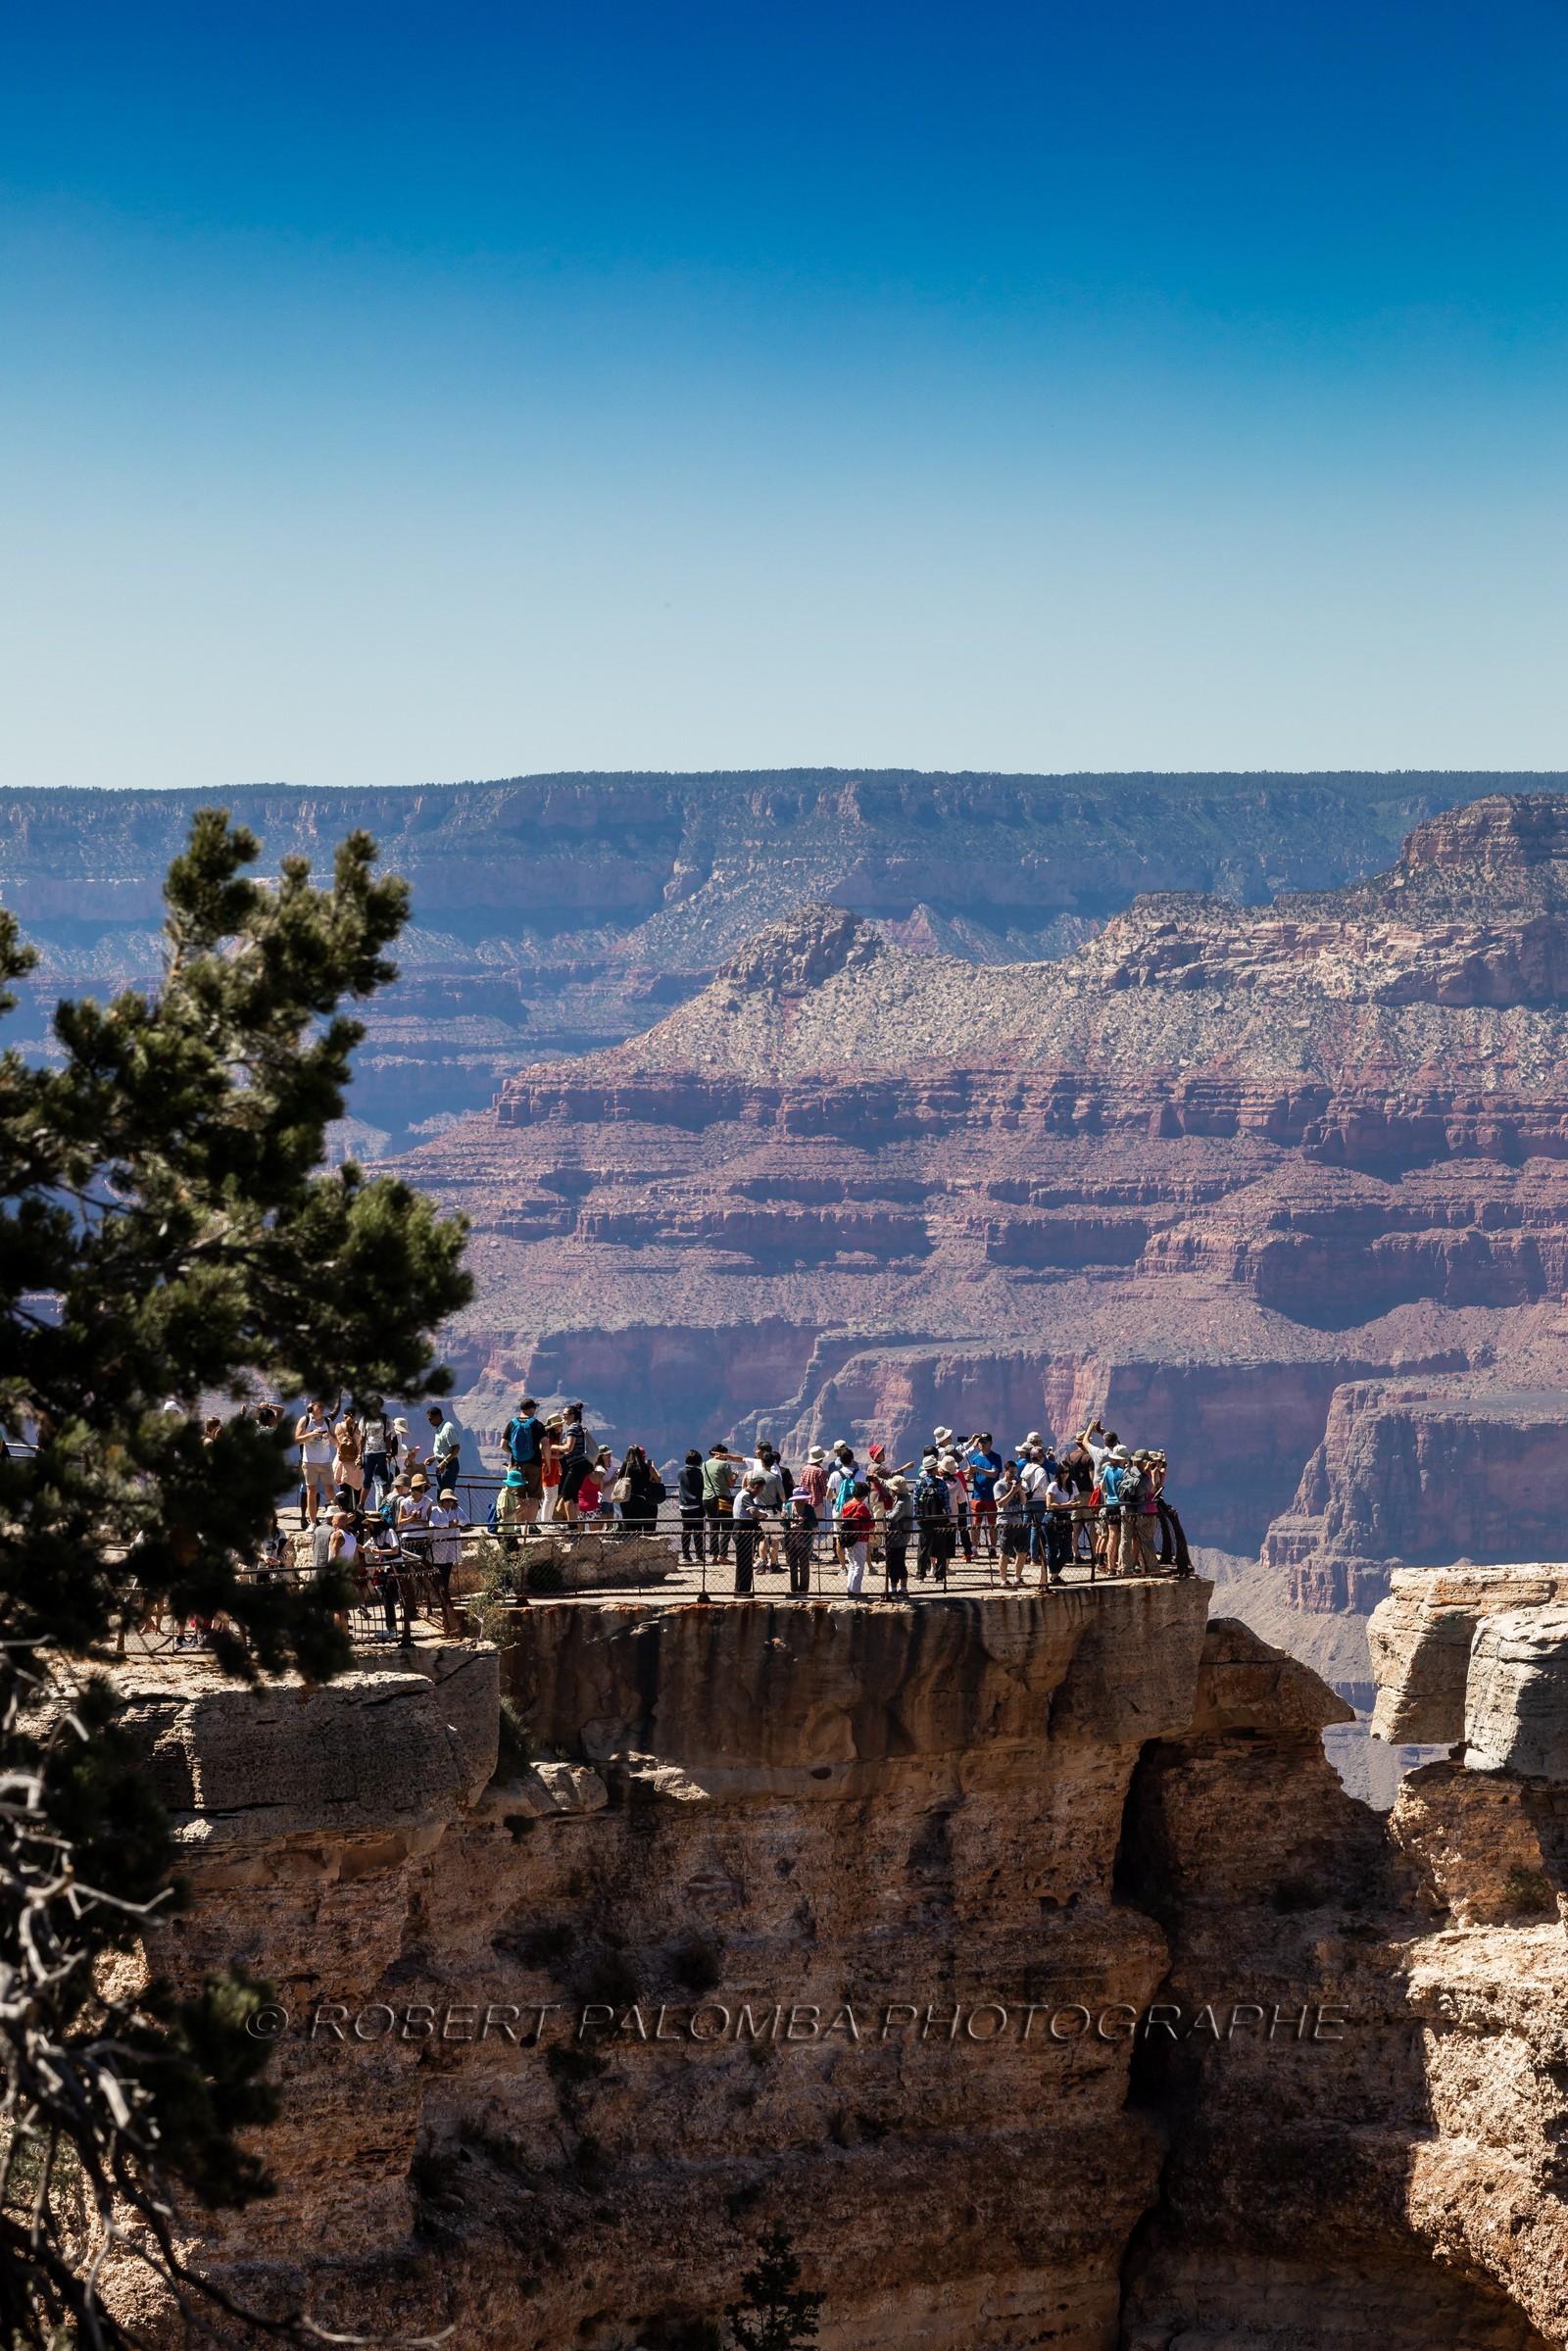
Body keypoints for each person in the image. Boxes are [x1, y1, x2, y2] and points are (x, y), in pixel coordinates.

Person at [503, 1395, 547, 1524]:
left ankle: (518, 1525)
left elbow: (503, 1445)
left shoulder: (512, 1423)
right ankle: (531, 1525)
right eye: (534, 1408)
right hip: (535, 1464)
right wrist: (548, 1464)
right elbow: (545, 1445)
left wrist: (514, 1453)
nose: (535, 1411)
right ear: (530, 1409)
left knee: (518, 1494)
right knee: (533, 1496)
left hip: (517, 1465)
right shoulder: (537, 1424)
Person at [428, 1486, 464, 1633]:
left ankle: (444, 1598)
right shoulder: (436, 1511)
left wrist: (457, 1522)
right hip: (438, 1547)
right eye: (447, 1501)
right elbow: (432, 1524)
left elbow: (465, 1520)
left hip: (450, 1547)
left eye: (451, 1500)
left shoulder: (456, 1511)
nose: (449, 1503)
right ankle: (440, 1598)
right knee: (438, 1574)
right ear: (441, 1501)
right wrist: (447, 1524)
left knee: (446, 1574)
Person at [914, 1451, 953, 1585]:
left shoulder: (920, 1484)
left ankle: (920, 1574)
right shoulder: (941, 1484)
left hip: (925, 1520)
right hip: (939, 1519)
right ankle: (940, 1575)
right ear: (935, 1469)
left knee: (923, 1547)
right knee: (941, 1547)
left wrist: (918, 1517)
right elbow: (946, 1503)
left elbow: (916, 1502)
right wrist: (947, 1518)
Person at [295, 1399, 335, 1527]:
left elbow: (336, 1443)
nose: (323, 1408)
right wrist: (311, 1435)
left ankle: (335, 1520)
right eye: (320, 1406)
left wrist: (329, 1437)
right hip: (310, 1461)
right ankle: (312, 1522)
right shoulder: (305, 1420)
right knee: (311, 1491)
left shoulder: (328, 1422)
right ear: (313, 1406)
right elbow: (296, 1440)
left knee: (330, 1491)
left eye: (324, 1406)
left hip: (326, 1461)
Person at [556, 1403, 594, 1527]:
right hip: (581, 1465)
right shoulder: (578, 1427)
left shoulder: (573, 1427)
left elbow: (569, 1448)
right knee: (574, 1495)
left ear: (572, 1415)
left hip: (576, 1465)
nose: (564, 1417)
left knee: (566, 1494)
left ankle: (570, 1525)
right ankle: (575, 1524)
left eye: (565, 1415)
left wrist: (555, 1447)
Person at [615, 1444, 666, 1536]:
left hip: (626, 1499)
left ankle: (627, 1546)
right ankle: (639, 1546)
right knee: (638, 1525)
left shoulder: (626, 1465)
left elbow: (620, 1478)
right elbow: (656, 1480)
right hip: (640, 1499)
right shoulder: (646, 1467)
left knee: (627, 1523)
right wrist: (652, 1467)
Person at [967, 1434, 1003, 1559]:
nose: (982, 1444)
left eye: (985, 1441)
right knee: (976, 1524)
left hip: (992, 1496)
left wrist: (978, 1469)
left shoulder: (996, 1457)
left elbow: (994, 1474)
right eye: (980, 1441)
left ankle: (993, 1548)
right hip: (977, 1495)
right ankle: (974, 1549)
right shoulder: (974, 1457)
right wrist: (970, 1474)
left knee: (992, 1524)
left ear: (991, 1443)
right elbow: (970, 1477)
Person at [702, 1443, 738, 1561]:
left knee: (714, 1528)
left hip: (706, 1499)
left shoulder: (705, 1464)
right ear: (719, 1453)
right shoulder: (724, 1465)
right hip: (722, 1499)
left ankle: (714, 1555)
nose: (727, 1456)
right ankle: (722, 1555)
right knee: (727, 1527)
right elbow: (731, 1484)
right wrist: (735, 1477)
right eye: (725, 1453)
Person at [839, 1480, 874, 1597]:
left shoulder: (846, 1505)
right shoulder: (861, 1507)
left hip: (849, 1538)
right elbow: (870, 1524)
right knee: (859, 1565)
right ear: (864, 1494)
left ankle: (850, 1588)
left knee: (852, 1565)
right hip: (860, 1538)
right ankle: (856, 1591)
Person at [1044, 1461, 1077, 1585]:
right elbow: (1049, 1504)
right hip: (1053, 1518)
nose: (1065, 1474)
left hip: (1066, 1518)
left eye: (1067, 1472)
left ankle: (1054, 1573)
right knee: (1053, 1548)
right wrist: (1065, 1505)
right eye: (1062, 1472)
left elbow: (1077, 1499)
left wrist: (1075, 1504)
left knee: (1067, 1550)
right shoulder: (1053, 1486)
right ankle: (1054, 1576)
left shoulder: (1072, 1485)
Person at [996, 1460, 1027, 1585]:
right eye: (1011, 1472)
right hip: (1005, 1522)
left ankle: (1017, 1578)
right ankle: (1003, 1580)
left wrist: (1019, 1490)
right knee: (1005, 1553)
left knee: (1022, 1552)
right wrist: (1012, 1491)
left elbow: (1024, 1502)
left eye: (1015, 1472)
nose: (1014, 1474)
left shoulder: (1017, 1485)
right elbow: (1000, 1503)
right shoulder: (999, 1485)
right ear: (1005, 1471)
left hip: (1019, 1521)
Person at [881, 1474, 911, 1597]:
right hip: (902, 1535)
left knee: (893, 1562)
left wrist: (885, 1516)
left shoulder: (901, 1502)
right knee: (900, 1562)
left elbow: (894, 1517)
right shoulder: (904, 1498)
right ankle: (903, 1588)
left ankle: (893, 1588)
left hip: (897, 1536)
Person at [732, 1474, 762, 1594]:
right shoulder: (746, 1496)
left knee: (745, 1561)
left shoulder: (742, 1493)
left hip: (743, 1530)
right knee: (744, 1562)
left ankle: (743, 1589)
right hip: (743, 1531)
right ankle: (741, 1590)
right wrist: (763, 1515)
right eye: (760, 1490)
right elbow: (753, 1512)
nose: (760, 1493)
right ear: (755, 1487)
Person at [361, 1397, 393, 1510]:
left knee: (383, 1480)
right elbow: (362, 1438)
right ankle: (361, 1505)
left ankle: (384, 1507)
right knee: (367, 1479)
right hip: (368, 1452)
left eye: (377, 1404)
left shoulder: (385, 1418)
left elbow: (388, 1437)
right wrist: (360, 1454)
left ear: (381, 1405)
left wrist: (388, 1453)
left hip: (382, 1452)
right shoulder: (365, 1418)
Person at [784, 1492, 817, 1595]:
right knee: (792, 1565)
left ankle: (803, 1590)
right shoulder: (788, 1507)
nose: (803, 1501)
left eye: (804, 1499)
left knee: (804, 1565)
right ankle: (794, 1589)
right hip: (791, 1539)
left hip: (804, 1539)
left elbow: (814, 1523)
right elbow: (783, 1524)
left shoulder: (809, 1509)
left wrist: (805, 1520)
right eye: (801, 1499)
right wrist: (783, 1518)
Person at [676, 1448, 707, 1562]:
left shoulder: (680, 1471)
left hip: (684, 1505)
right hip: (698, 1504)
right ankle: (699, 1555)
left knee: (686, 1530)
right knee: (698, 1530)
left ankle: (686, 1555)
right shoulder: (700, 1473)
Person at [428, 1404, 463, 1495]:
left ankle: (448, 1510)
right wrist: (433, 1458)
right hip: (442, 1464)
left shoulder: (448, 1428)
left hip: (449, 1465)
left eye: (431, 1419)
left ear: (438, 1417)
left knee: (447, 1494)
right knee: (440, 1492)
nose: (430, 1422)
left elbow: (456, 1448)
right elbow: (443, 1449)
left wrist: (444, 1462)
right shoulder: (440, 1428)